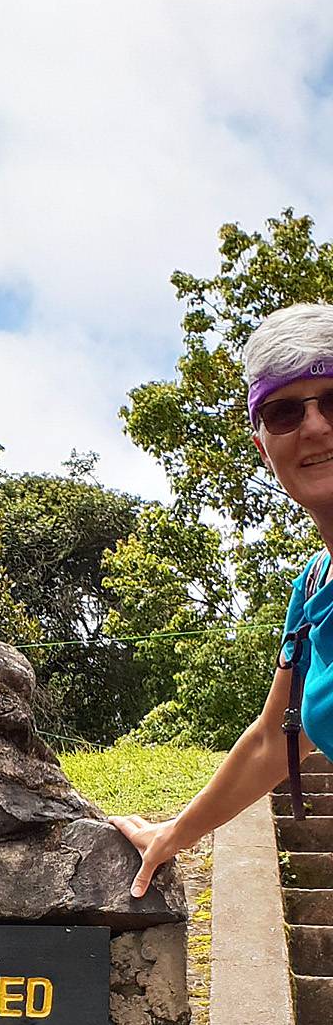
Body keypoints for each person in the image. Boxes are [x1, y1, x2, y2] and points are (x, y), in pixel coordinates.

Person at [117, 302, 333, 898]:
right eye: (285, 412)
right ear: (264, 447)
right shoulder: (315, 586)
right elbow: (272, 740)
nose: (313, 427)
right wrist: (176, 833)